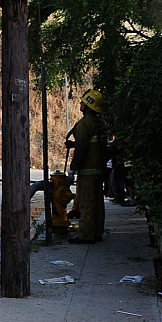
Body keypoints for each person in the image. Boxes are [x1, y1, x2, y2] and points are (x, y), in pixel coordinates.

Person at [65, 88, 108, 244]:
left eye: (83, 101)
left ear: (88, 105)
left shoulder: (84, 124)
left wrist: (73, 167)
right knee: (97, 202)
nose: (80, 103)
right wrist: (74, 143)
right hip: (99, 169)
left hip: (88, 171)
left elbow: (83, 148)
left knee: (86, 203)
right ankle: (96, 232)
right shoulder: (99, 123)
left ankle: (86, 235)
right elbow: (92, 145)